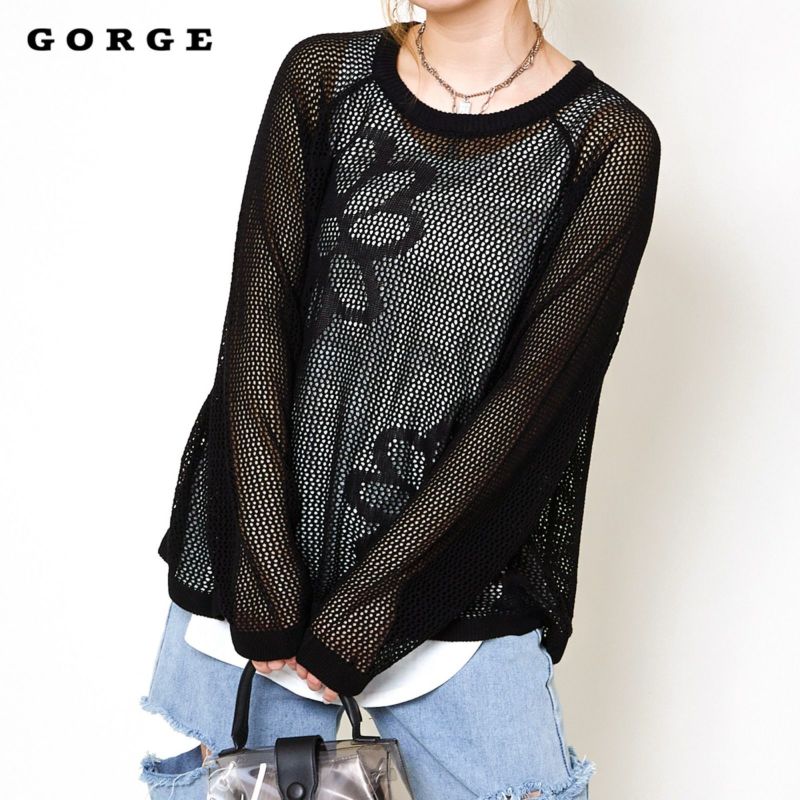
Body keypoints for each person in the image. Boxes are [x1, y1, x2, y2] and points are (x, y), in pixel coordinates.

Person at [139, 1, 661, 798]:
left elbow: (531, 408)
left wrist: (366, 611)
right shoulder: (326, 77)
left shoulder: (604, 143)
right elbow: (256, 331)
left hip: (459, 582)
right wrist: (268, 583)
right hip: (259, 575)